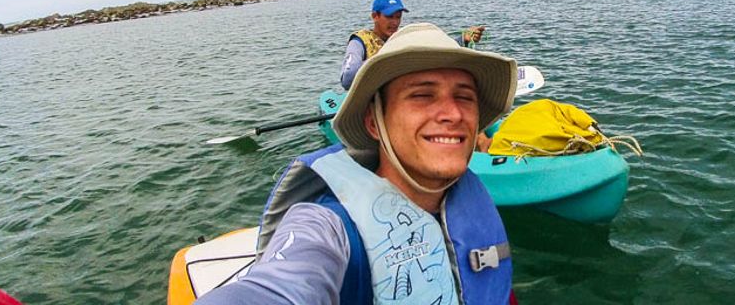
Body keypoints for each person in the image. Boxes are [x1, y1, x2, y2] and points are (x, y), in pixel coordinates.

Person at [198, 23, 517, 304]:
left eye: (464, 97)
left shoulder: (471, 200)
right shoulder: (325, 228)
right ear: (374, 124)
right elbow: (278, 288)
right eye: (422, 95)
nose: (453, 114)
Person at [340, 0, 486, 90]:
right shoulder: (359, 41)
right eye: (390, 17)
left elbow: (433, 54)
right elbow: (347, 79)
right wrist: (384, 60)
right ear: (375, 16)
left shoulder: (402, 39)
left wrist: (463, 39)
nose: (395, 22)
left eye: (398, 17)